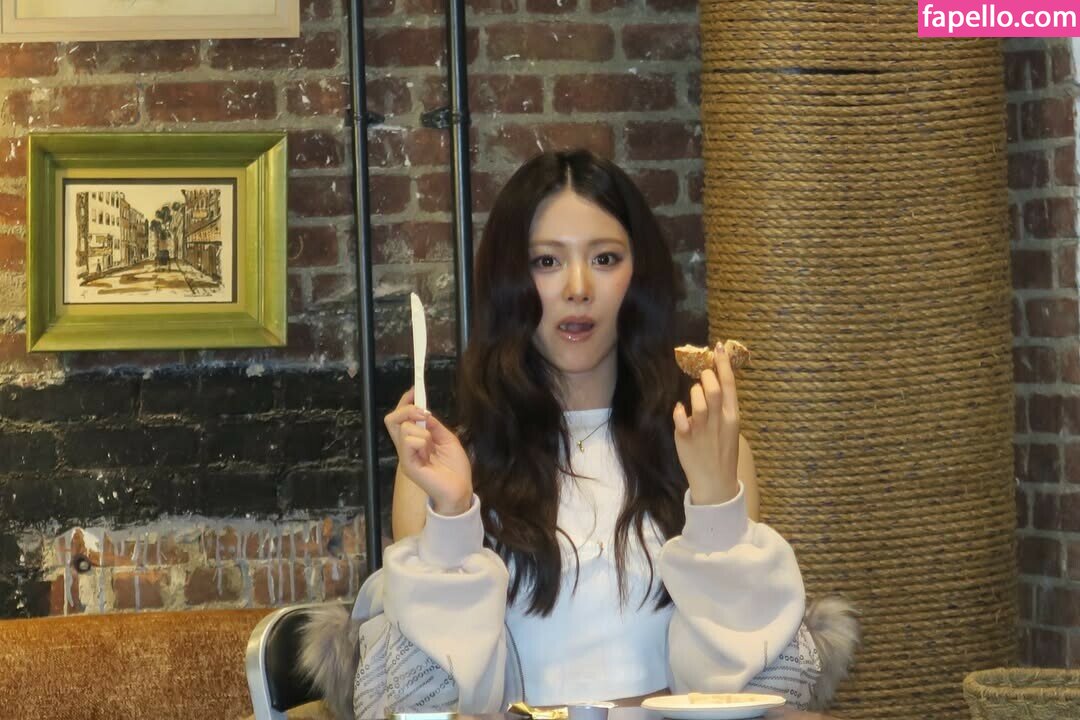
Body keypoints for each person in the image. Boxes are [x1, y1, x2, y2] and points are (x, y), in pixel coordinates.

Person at [301, 150, 858, 720]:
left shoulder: (707, 449)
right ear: (509, 282)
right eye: (546, 261)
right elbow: (431, 704)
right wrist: (453, 515)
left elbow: (753, 694)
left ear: (638, 276)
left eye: (605, 258)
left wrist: (716, 505)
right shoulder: (442, 469)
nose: (578, 287)